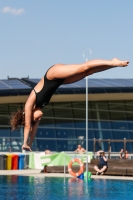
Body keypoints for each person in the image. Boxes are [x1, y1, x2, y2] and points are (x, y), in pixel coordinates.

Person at [10, 58, 129, 151]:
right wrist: (29, 144)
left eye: (36, 119)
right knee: (88, 72)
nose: (40, 118)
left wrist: (24, 142)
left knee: (84, 67)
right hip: (59, 81)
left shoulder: (29, 104)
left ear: (28, 117)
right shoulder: (39, 108)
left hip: (52, 75)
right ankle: (112, 65)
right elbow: (33, 129)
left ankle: (113, 62)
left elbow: (27, 127)